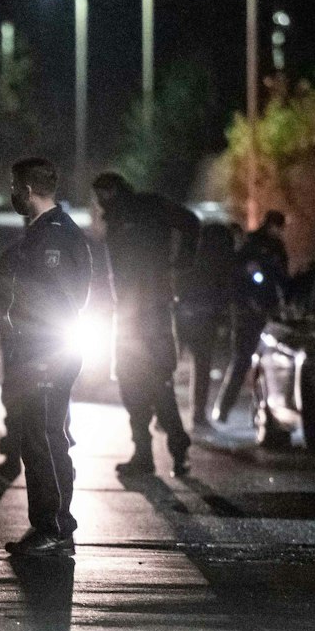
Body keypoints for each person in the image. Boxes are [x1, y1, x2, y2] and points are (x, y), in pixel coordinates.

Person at [0, 157, 93, 557]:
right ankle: (52, 524)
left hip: (47, 353)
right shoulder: (45, 232)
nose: (12, 193)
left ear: (28, 189)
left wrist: (41, 348)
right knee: (42, 436)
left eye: (15, 186)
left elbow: (60, 298)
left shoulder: (55, 236)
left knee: (45, 438)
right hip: (39, 350)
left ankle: (53, 526)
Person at [93, 170, 198, 477]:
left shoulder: (149, 206)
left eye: (106, 192)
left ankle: (177, 450)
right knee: (130, 383)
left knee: (158, 384)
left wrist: (181, 265)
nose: (102, 199)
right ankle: (144, 453)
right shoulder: (112, 220)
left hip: (153, 312)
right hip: (127, 314)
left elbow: (190, 223)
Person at [215, 209, 290, 423]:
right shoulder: (252, 245)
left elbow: (282, 278)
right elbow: (237, 278)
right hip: (247, 312)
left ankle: (260, 414)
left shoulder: (275, 247)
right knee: (241, 361)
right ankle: (223, 409)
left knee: (267, 364)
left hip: (268, 310)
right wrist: (247, 302)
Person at [177, 222, 238, 431]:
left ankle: (162, 413)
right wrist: (222, 319)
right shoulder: (223, 260)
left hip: (183, 315)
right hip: (206, 318)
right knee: (202, 368)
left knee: (168, 368)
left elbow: (178, 283)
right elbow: (225, 291)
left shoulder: (189, 254)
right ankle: (198, 414)